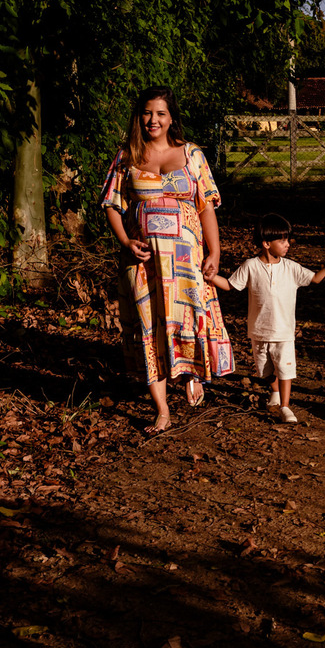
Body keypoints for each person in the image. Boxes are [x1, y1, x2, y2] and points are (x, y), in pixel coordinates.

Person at [99, 85, 234, 434]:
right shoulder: (127, 155)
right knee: (149, 326)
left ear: (171, 117)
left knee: (189, 317)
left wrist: (215, 253)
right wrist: (127, 241)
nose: (153, 120)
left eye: (160, 113)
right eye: (147, 113)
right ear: (139, 117)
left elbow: (206, 208)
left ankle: (191, 372)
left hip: (187, 262)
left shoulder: (192, 156)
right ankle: (162, 411)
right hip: (144, 262)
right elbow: (112, 205)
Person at [209, 214, 325, 424]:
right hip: (258, 330)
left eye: (287, 239)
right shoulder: (251, 266)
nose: (287, 245)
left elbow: (315, 279)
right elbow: (230, 285)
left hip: (283, 332)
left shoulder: (291, 268)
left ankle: (285, 406)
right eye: (282, 240)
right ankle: (274, 392)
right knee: (265, 371)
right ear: (266, 244)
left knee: (284, 370)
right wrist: (210, 278)